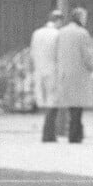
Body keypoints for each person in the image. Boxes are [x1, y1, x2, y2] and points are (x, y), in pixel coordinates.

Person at [50, 6, 93, 143]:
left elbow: (55, 52)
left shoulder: (61, 32)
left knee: (71, 105)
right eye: (84, 17)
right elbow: (87, 55)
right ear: (80, 18)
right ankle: (75, 134)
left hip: (65, 72)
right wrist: (92, 66)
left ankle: (75, 132)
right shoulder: (82, 33)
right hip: (79, 74)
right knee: (78, 106)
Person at [30, 9, 63, 142]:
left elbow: (32, 52)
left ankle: (48, 132)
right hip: (52, 70)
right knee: (53, 102)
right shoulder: (57, 34)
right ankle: (49, 133)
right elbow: (59, 54)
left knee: (44, 101)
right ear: (58, 20)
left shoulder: (37, 33)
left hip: (39, 70)